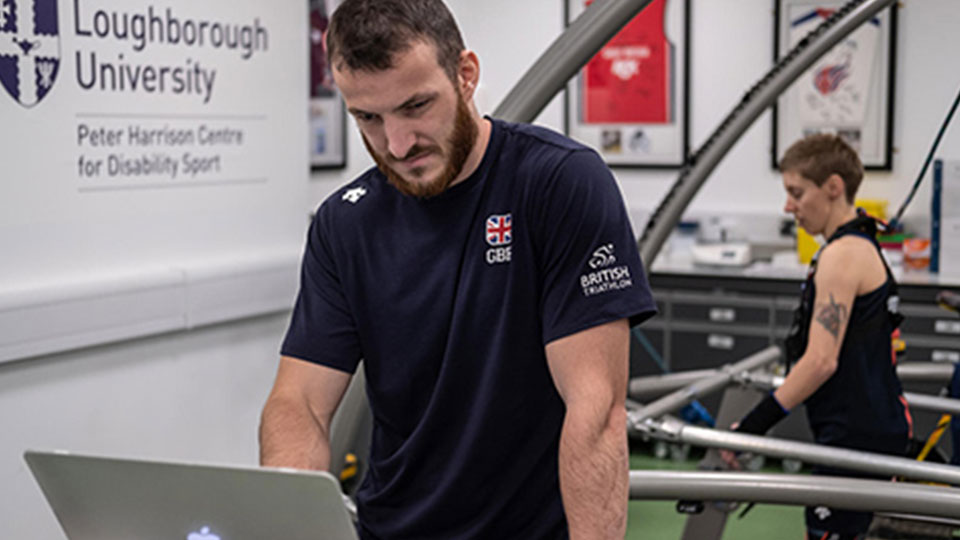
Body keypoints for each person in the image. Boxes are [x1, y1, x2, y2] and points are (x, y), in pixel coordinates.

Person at [258, 1, 657, 538]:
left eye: (417, 105)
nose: (397, 144)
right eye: (368, 118)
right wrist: (289, 520)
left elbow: (596, 412)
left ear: (465, 74)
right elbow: (299, 402)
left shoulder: (559, 183)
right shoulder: (343, 224)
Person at [726, 134, 912, 540]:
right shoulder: (861, 245)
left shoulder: (842, 254)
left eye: (796, 193)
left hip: (855, 439)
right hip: (868, 430)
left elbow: (821, 361)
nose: (788, 206)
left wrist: (750, 429)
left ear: (832, 187)